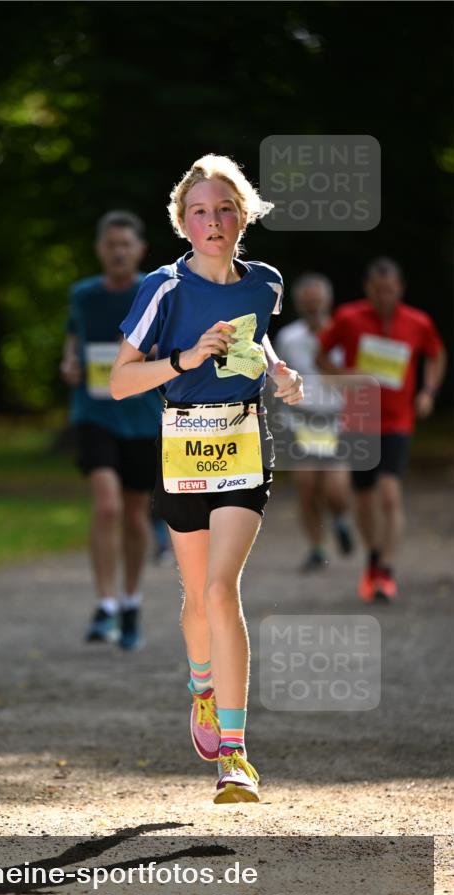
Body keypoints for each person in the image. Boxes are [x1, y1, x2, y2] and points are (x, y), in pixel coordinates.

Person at [110, 155, 303, 804]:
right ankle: (200, 685)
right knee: (195, 597)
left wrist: (277, 371)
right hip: (183, 445)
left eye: (224, 209)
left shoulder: (265, 283)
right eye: (200, 211)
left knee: (221, 591)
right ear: (182, 223)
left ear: (243, 215)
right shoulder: (163, 289)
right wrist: (186, 358)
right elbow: (119, 380)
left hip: (244, 442)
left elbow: (259, 340)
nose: (213, 221)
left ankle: (234, 754)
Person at [60, 211, 163, 650]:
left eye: (126, 245)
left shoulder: (153, 290)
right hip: (95, 411)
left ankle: (131, 600)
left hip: (141, 416)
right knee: (107, 507)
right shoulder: (83, 295)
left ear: (139, 250)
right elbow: (72, 339)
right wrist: (69, 363)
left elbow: (174, 344)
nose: (118, 252)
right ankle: (104, 605)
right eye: (111, 245)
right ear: (100, 250)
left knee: (136, 513)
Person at [316, 258, 446, 601]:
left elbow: (436, 354)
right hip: (359, 416)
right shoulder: (348, 318)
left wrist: (428, 391)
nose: (384, 296)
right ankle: (372, 558)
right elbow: (321, 356)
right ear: (368, 289)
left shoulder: (418, 322)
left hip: (398, 419)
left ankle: (387, 569)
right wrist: (342, 376)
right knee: (364, 496)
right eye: (377, 290)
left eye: (389, 289)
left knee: (389, 493)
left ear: (400, 289)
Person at [273, 273, 354, 572]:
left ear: (327, 301)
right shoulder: (289, 338)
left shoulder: (344, 334)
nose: (312, 307)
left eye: (317, 301)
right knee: (306, 486)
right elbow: (276, 375)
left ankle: (341, 519)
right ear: (297, 304)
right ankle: (317, 547)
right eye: (307, 303)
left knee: (334, 489)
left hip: (335, 420)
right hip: (299, 419)